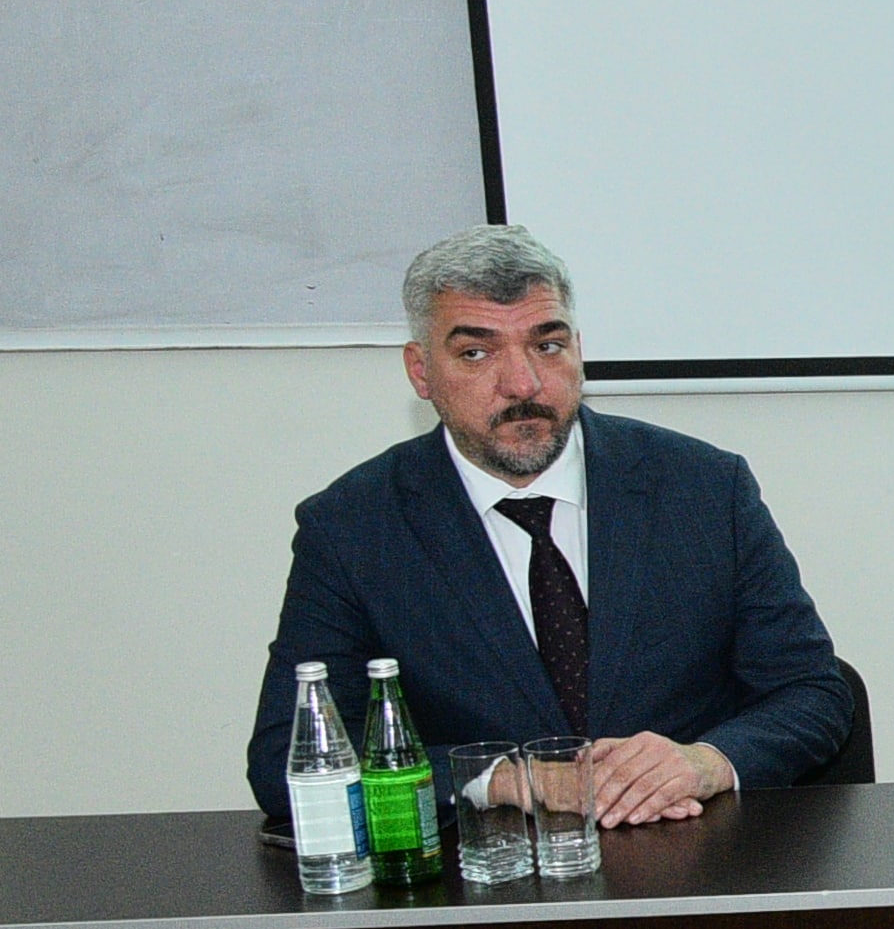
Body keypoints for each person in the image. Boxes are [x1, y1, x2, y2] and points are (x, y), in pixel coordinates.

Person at [247, 228, 851, 828]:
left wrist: (706, 763)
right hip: (488, 872)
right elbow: (285, 760)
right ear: (421, 371)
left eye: (547, 345)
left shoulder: (703, 488)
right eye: (476, 353)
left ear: (578, 351)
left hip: (697, 855)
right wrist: (504, 780)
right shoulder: (353, 528)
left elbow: (812, 693)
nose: (523, 384)